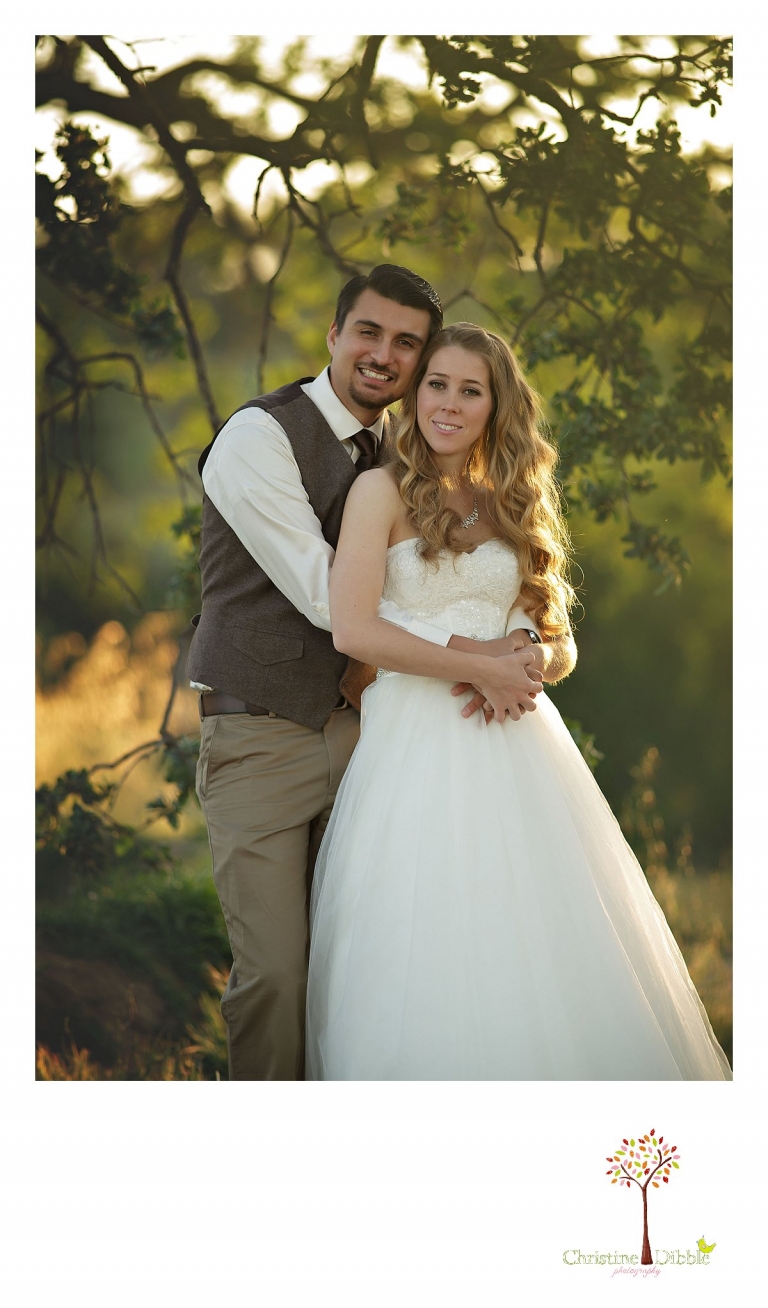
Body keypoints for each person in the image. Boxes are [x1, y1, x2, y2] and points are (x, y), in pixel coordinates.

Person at [305, 322, 732, 1081]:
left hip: (522, 749)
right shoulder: (379, 491)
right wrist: (479, 665)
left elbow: (557, 641)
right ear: (415, 390)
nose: (449, 403)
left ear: (496, 405)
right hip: (414, 747)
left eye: (472, 390)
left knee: (546, 939)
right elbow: (355, 628)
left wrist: (528, 662)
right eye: (437, 383)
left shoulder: (512, 497)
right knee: (424, 940)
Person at [187, 269, 547, 1081]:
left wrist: (518, 640)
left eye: (407, 343)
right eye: (369, 333)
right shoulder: (258, 438)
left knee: (365, 974)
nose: (385, 356)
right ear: (335, 334)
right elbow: (328, 595)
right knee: (276, 978)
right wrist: (475, 654)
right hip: (261, 733)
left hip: (372, 744)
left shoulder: (410, 457)